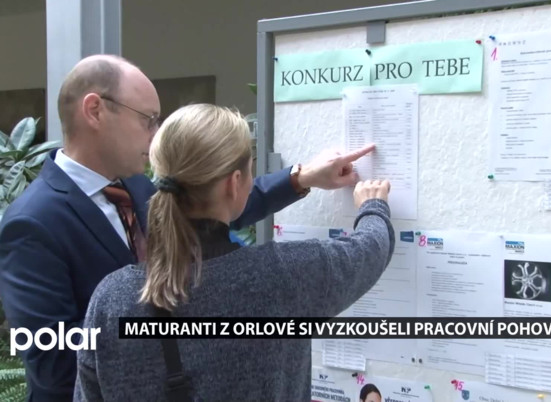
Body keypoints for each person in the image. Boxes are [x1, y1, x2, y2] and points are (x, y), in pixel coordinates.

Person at [0, 55, 375, 402]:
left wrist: (299, 178)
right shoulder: (32, 223)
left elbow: (211, 208)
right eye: (147, 119)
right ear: (95, 110)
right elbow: (48, 360)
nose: (155, 133)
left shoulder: (137, 186)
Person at [74, 104, 394, 401]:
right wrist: (373, 205)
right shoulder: (283, 277)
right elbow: (370, 250)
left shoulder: (111, 300)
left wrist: (301, 177)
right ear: (235, 182)